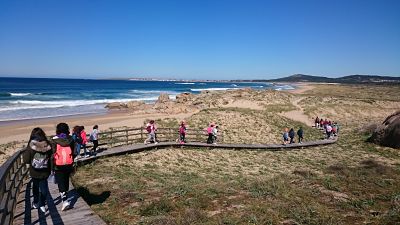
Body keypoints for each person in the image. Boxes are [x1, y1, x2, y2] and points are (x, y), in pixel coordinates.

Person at [24, 127, 53, 213]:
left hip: (34, 171)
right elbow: (51, 157)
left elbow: (26, 160)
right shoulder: (48, 145)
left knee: (35, 187)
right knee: (44, 189)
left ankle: (36, 202)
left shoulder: (30, 145)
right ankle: (42, 204)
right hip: (45, 171)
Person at [52, 122, 76, 211]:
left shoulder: (54, 140)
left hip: (58, 165)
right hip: (69, 163)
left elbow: (52, 154)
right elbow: (74, 152)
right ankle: (65, 193)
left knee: (60, 182)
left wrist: (51, 166)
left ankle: (65, 200)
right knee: (66, 180)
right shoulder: (70, 139)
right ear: (67, 130)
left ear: (58, 130)